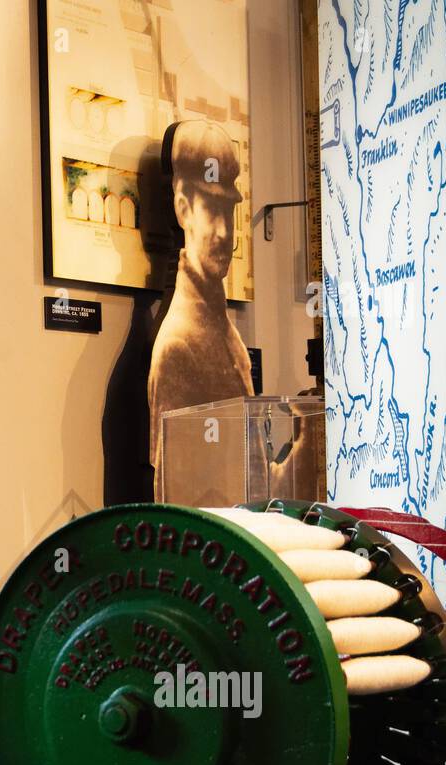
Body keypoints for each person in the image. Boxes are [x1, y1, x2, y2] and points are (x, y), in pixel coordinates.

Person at [147, 119, 253, 496]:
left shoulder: (227, 334)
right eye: (212, 210)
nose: (224, 232)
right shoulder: (179, 345)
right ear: (183, 209)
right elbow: (175, 501)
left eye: (229, 211)